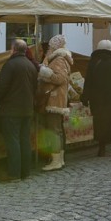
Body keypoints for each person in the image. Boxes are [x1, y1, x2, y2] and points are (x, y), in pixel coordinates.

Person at [0, 39, 37, 181]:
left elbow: (2, 87)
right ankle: (26, 172)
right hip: (27, 108)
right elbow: (35, 87)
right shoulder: (30, 65)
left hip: (11, 109)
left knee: (13, 141)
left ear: (13, 49)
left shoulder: (10, 65)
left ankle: (14, 173)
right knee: (24, 140)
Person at [37, 34, 72, 170]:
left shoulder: (58, 59)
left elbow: (60, 78)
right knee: (57, 130)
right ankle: (59, 159)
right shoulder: (60, 58)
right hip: (57, 99)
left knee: (53, 130)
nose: (48, 50)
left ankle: (56, 160)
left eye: (50, 47)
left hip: (54, 99)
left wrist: (45, 73)